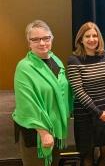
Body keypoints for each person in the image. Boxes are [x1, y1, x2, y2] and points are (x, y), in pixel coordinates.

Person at [12, 20, 72, 166]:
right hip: (35, 132)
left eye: (46, 38)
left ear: (52, 38)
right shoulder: (24, 67)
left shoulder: (55, 60)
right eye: (36, 39)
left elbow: (63, 91)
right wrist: (43, 132)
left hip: (56, 129)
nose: (42, 43)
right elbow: (27, 103)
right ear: (29, 43)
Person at [67, 22, 105, 166]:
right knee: (87, 157)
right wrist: (98, 113)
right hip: (86, 116)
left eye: (94, 35)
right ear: (80, 40)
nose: (92, 39)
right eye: (87, 36)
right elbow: (78, 91)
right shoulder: (73, 60)